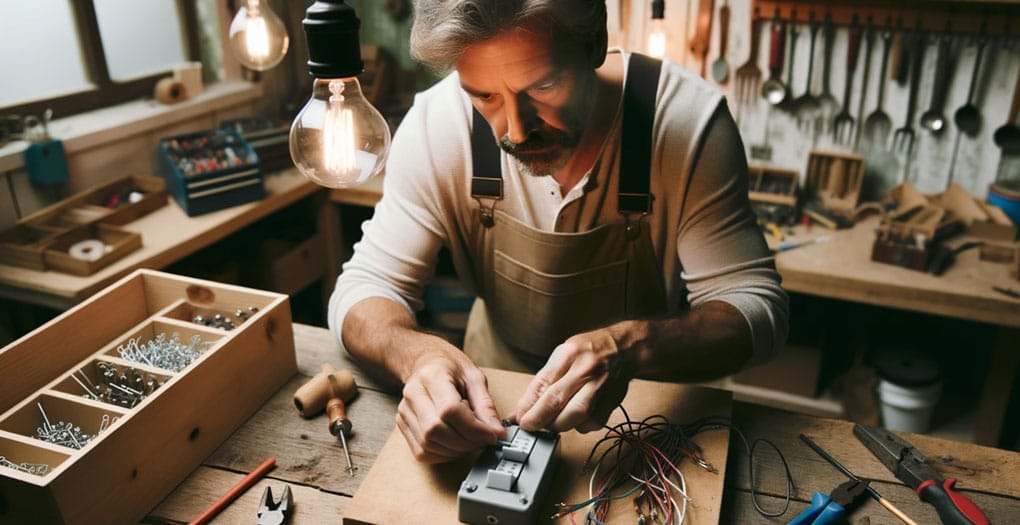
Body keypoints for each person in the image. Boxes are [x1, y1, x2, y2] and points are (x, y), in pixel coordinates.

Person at [328, 0, 788, 463]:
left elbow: (757, 308)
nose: (518, 131)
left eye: (543, 85)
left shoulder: (686, 122)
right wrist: (417, 358)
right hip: (492, 403)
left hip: (647, 417)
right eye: (484, 97)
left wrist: (632, 346)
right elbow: (365, 287)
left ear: (595, 43)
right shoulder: (438, 123)